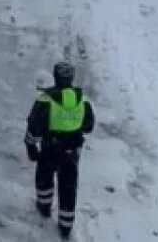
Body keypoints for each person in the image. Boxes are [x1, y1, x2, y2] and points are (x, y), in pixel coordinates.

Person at [25, 62, 95, 239]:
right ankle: (66, 226)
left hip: (50, 147)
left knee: (44, 178)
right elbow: (88, 126)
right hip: (72, 151)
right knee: (68, 187)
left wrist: (31, 145)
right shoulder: (83, 98)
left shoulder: (46, 98)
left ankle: (44, 207)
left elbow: (34, 126)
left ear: (55, 76)